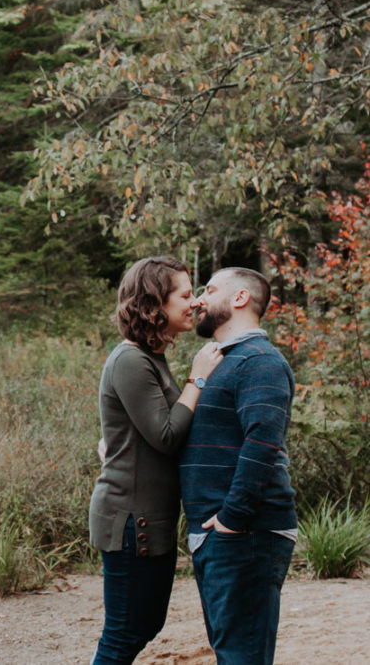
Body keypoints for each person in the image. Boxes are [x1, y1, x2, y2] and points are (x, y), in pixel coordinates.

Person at [90, 256, 224, 664]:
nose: (195, 302)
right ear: (154, 305)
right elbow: (166, 436)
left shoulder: (150, 357)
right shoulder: (131, 360)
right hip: (131, 521)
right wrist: (197, 378)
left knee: (144, 625)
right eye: (185, 295)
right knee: (124, 633)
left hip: (149, 520)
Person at [180, 267, 297, 665]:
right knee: (233, 654)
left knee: (242, 657)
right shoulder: (222, 363)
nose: (197, 300)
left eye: (208, 290)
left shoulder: (259, 361)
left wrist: (232, 519)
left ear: (240, 298)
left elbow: (263, 443)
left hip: (246, 534)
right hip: (223, 536)